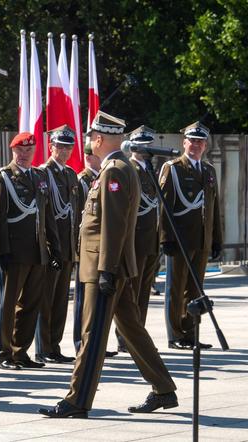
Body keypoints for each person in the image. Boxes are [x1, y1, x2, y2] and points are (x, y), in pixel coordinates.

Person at [39, 111, 177, 418]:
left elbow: (114, 226)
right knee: (132, 330)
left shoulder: (114, 170)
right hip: (110, 266)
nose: (88, 143)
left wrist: (106, 270)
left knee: (92, 336)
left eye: (90, 138)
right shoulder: (118, 167)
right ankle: (164, 389)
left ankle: (77, 401)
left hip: (104, 267)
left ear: (99, 139)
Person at [0, 132, 61, 371]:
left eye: (28, 150)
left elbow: (47, 213)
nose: (24, 155)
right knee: (7, 304)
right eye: (19, 150)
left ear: (34, 152)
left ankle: (20, 351)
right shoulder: (3, 177)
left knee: (31, 304)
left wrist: (55, 247)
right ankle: (2, 352)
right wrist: (1, 250)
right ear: (12, 151)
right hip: (15, 251)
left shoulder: (40, 176)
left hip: (38, 251)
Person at [160, 121, 222, 350]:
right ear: (184, 143)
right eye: (192, 141)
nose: (195, 145)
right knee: (175, 289)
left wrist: (216, 239)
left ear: (205, 145)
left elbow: (214, 208)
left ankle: (190, 333)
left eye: (200, 142)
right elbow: (164, 206)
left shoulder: (208, 171)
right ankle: (175, 335)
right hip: (179, 239)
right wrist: (165, 238)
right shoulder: (173, 168)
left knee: (196, 290)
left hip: (202, 240)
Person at [114, 126, 160, 353]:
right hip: (134, 241)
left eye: (149, 145)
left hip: (150, 240)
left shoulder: (151, 170)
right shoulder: (128, 169)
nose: (146, 149)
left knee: (143, 292)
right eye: (142, 145)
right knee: (131, 292)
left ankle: (139, 335)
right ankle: (126, 338)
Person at [35, 125, 78, 364]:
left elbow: (75, 212)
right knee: (47, 298)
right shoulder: (43, 173)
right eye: (60, 146)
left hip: (67, 245)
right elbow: (43, 213)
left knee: (61, 299)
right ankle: (43, 348)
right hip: (52, 246)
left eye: (68, 147)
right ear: (51, 147)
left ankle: (55, 345)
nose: (63, 151)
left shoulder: (71, 174)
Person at [72, 145, 101, 354]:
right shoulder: (82, 179)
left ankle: (94, 341)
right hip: (86, 247)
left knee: (96, 301)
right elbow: (78, 217)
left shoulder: (103, 177)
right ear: (89, 157)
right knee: (83, 300)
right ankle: (81, 342)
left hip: (99, 247)